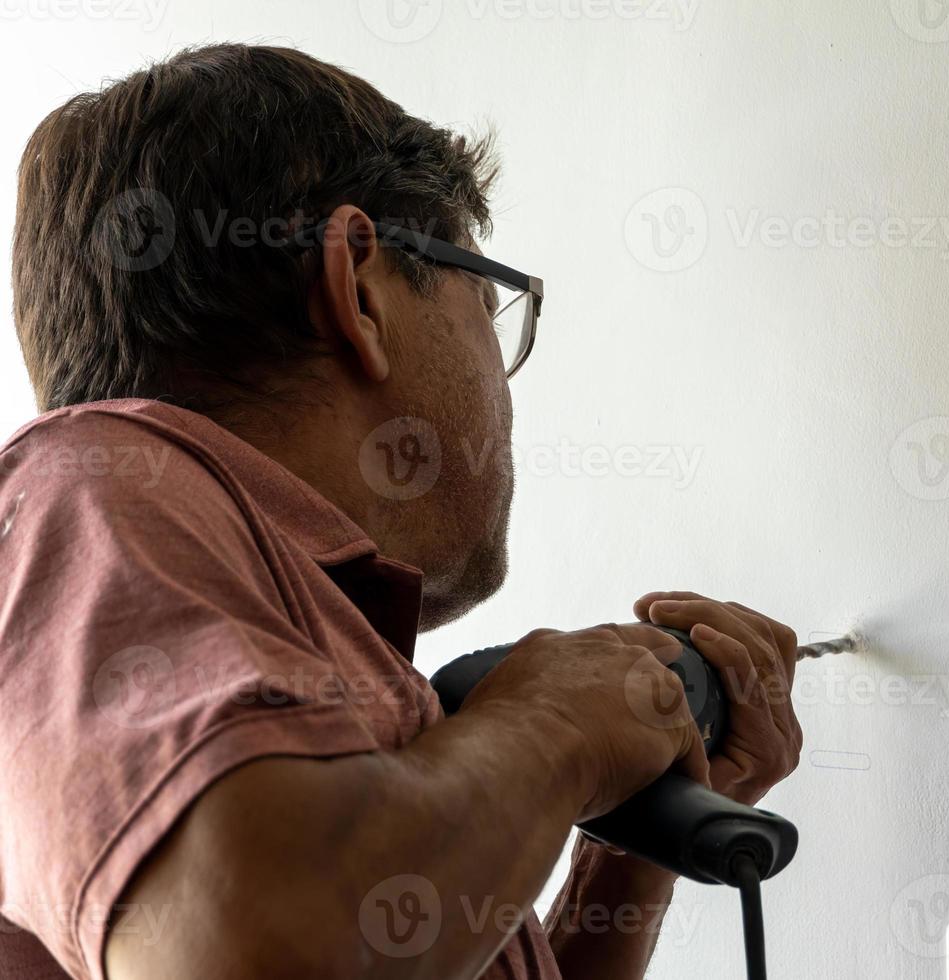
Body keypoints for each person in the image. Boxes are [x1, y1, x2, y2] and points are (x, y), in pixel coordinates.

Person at [0, 43, 802, 980]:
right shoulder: (84, 489)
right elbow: (248, 950)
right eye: (489, 304)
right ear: (361, 290)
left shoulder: (297, 692)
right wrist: (550, 728)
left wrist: (622, 830)